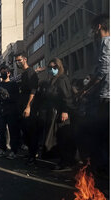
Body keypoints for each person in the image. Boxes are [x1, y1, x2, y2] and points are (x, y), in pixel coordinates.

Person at [81, 14, 109, 175]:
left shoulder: (106, 42)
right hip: (105, 96)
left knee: (100, 136)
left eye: (93, 28)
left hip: (105, 97)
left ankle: (102, 171)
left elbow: (103, 71)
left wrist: (86, 88)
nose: (92, 32)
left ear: (98, 26)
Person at [46, 58, 77, 171]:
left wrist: (65, 111)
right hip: (55, 112)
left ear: (59, 68)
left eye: (55, 67)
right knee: (59, 137)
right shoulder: (53, 79)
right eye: (50, 67)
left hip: (62, 112)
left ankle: (67, 162)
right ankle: (63, 160)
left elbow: (67, 96)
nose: (52, 69)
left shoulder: (62, 79)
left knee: (64, 137)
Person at [0, 66, 21, 159]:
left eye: (5, 72)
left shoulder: (13, 84)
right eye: (1, 72)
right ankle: (2, 149)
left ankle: (13, 151)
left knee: (13, 132)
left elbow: (16, 98)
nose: (2, 74)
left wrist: (7, 95)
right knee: (0, 131)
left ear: (9, 73)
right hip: (0, 111)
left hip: (11, 111)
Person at [15, 53, 39, 165]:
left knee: (31, 132)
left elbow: (33, 91)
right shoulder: (24, 74)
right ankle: (30, 153)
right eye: (16, 61)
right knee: (26, 132)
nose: (17, 63)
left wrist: (28, 107)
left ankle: (33, 156)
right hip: (23, 107)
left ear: (25, 59)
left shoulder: (30, 72)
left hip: (29, 108)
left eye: (19, 60)